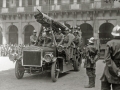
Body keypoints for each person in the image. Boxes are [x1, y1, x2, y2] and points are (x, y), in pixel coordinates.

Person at [100, 25, 120, 90]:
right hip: (119, 68)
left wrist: (115, 70)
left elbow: (107, 58)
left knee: (105, 86)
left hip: (109, 69)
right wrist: (118, 71)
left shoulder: (110, 43)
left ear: (113, 35)